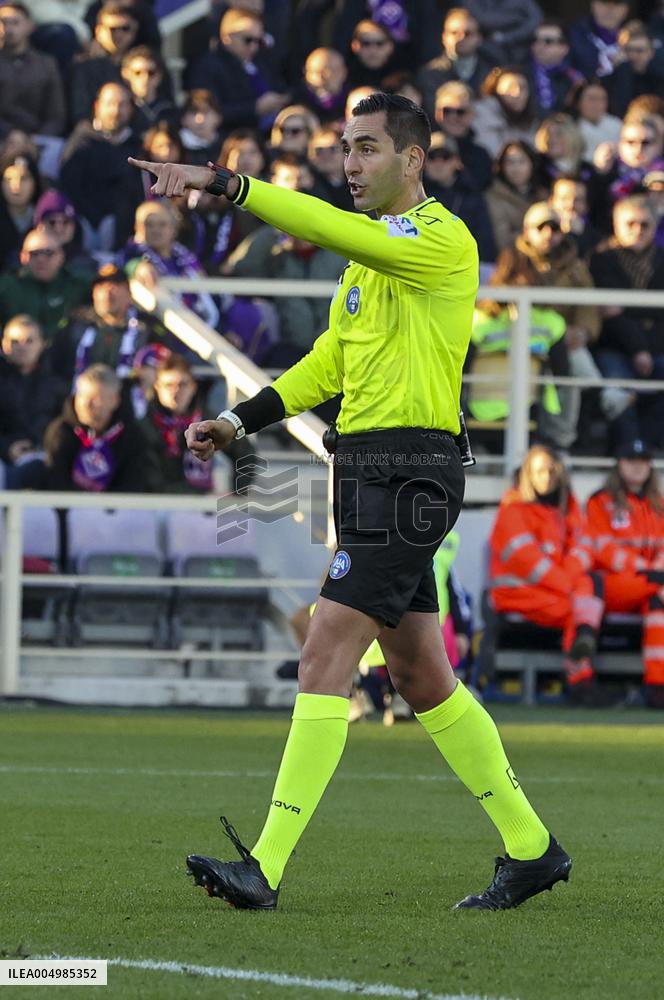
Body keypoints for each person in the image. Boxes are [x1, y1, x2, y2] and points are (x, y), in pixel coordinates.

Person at [129, 90, 572, 912]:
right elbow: (328, 363)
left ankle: (263, 866)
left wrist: (227, 185)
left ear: (413, 158)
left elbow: (331, 227)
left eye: (367, 148)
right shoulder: (368, 263)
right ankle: (532, 848)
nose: (350, 164)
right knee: (420, 673)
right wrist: (237, 418)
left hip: (409, 469)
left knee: (324, 648)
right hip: (364, 469)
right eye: (346, 148)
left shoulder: (441, 239)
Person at [489, 445, 604, 701]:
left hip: (552, 591)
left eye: (552, 470)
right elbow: (528, 562)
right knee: (581, 606)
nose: (547, 477)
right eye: (540, 471)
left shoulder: (567, 509)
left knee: (587, 590)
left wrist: (571, 580)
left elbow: (585, 547)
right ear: (527, 474)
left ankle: (581, 668)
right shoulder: (513, 509)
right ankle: (580, 681)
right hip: (517, 594)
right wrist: (569, 584)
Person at [585, 440, 664, 709]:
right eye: (631, 460)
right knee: (658, 590)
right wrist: (646, 569)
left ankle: (657, 688)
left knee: (658, 607)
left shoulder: (658, 505)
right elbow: (601, 548)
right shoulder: (600, 502)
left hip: (648, 586)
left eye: (642, 461)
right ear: (619, 464)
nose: (637, 467)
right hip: (612, 586)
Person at [589, 195, 664, 450]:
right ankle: (629, 453)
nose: (638, 230)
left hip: (657, 347)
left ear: (655, 227)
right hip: (614, 347)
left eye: (645, 224)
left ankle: (647, 451)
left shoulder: (662, 260)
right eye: (630, 223)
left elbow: (621, 310)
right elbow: (609, 316)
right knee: (618, 391)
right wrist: (638, 349)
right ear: (616, 224)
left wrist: (645, 347)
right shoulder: (601, 258)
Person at [44, 361, 147, 491]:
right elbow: (56, 481)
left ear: (114, 401)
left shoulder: (131, 437)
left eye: (95, 398)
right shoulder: (60, 432)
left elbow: (132, 484)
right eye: (82, 396)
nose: (86, 404)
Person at [185, 6, 289, 132]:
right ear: (227, 37)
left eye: (259, 41)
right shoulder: (208, 66)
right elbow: (211, 110)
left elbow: (280, 87)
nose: (254, 47)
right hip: (235, 135)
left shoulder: (262, 61)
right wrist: (254, 108)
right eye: (248, 40)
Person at [50, 262, 150, 386]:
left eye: (115, 285)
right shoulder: (75, 325)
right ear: (93, 294)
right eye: (100, 286)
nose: (107, 291)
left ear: (129, 294)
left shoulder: (144, 330)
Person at [0, 227, 91, 343]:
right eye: (34, 254)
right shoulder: (6, 287)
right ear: (22, 256)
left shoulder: (78, 283)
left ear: (61, 256)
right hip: (18, 352)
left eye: (49, 253)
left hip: (63, 355)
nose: (41, 259)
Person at [0, 1, 66, 138]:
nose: (8, 28)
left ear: (30, 27)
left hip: (37, 141)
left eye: (15, 22)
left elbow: (56, 116)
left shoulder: (47, 64)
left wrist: (33, 140)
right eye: (3, 22)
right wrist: (9, 133)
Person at [416, 7, 495, 118]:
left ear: (479, 38)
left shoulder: (493, 74)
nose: (461, 38)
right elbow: (432, 114)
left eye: (467, 33)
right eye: (454, 33)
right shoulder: (429, 74)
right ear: (444, 38)